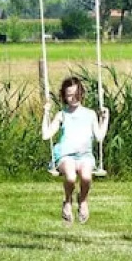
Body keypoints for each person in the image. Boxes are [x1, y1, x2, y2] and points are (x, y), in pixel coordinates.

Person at [42, 76, 109, 224]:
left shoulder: (90, 114)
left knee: (86, 177)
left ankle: (83, 200)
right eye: (69, 95)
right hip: (65, 155)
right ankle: (67, 201)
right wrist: (46, 114)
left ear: (82, 93)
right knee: (71, 177)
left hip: (85, 155)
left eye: (76, 93)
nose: (73, 98)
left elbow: (99, 137)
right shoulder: (62, 115)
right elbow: (46, 135)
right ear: (65, 97)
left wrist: (105, 119)